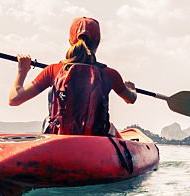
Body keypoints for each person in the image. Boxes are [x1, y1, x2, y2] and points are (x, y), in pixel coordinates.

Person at [9, 17, 137, 135]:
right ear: (97, 42)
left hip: (59, 139)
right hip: (96, 141)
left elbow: (14, 99)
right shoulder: (110, 74)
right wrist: (131, 89)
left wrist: (22, 70)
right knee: (112, 129)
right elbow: (130, 99)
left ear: (70, 41)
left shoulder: (53, 70)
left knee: (47, 123)